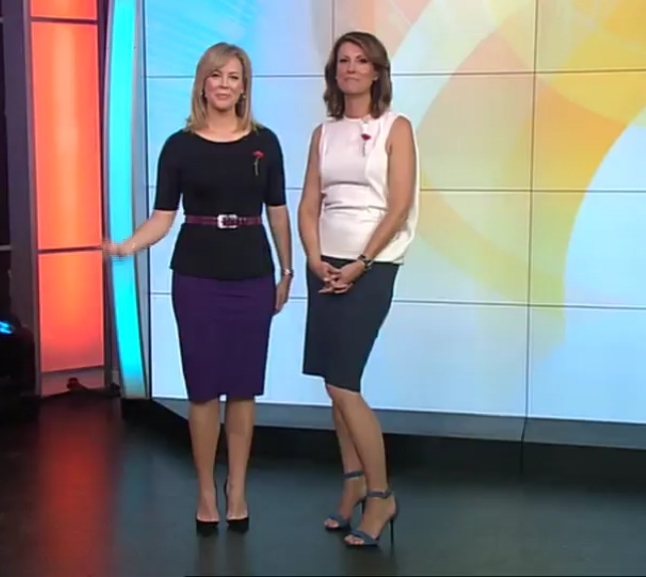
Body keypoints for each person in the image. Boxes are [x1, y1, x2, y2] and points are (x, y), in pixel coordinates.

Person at [104, 42, 293, 536]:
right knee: (204, 390)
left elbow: (277, 212)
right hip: (196, 277)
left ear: (244, 87)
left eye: (234, 77)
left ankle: (238, 489)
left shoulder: (266, 143)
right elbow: (163, 218)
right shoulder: (179, 146)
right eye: (216, 75)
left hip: (252, 274)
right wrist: (127, 246)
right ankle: (206, 491)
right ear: (202, 84)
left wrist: (287, 271)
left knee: (244, 389)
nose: (224, 84)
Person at [297, 30, 419, 548]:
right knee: (332, 383)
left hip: (372, 266)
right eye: (343, 60)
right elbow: (309, 204)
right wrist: (314, 258)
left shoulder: (396, 127)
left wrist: (361, 263)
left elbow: (399, 205)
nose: (351, 68)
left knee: (346, 382)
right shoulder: (323, 133)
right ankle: (351, 484)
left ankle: (380, 495)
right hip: (324, 265)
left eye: (361, 61)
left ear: (376, 72)